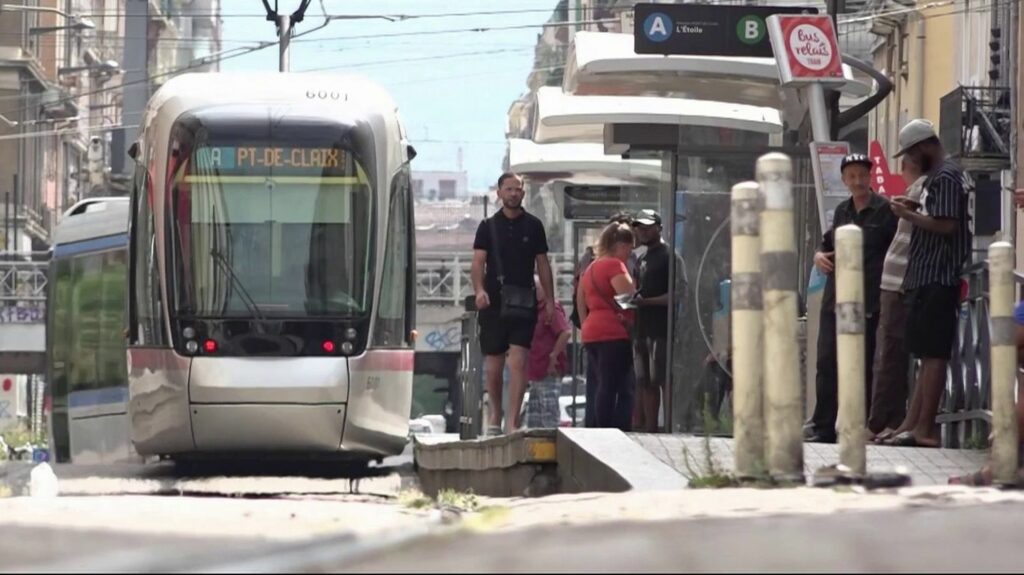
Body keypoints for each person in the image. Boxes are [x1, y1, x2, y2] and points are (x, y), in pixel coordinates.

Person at [885, 119, 972, 448]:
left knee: (934, 353)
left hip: (938, 274)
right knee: (924, 353)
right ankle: (911, 423)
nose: (907, 161)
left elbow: (947, 225)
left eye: (909, 153)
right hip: (926, 275)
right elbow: (937, 216)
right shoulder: (938, 177)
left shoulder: (946, 176)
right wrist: (914, 207)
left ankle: (924, 428)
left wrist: (908, 216)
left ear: (923, 146)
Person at [805, 153, 898, 443]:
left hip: (869, 301)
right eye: (851, 176)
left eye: (862, 175)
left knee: (865, 362)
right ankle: (823, 426)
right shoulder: (842, 211)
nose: (857, 181)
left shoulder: (885, 211)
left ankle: (863, 426)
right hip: (836, 300)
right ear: (844, 180)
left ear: (869, 177)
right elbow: (825, 245)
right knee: (827, 362)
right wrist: (819, 256)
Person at [471, 172, 555, 436]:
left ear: (523, 193)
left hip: (523, 300)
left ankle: (513, 421)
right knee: (493, 365)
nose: (514, 194)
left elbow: (543, 264)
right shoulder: (487, 226)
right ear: (499, 193)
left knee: (518, 361)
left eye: (518, 189)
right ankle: (496, 413)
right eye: (508, 189)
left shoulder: (534, 225)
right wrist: (479, 290)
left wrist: (550, 301)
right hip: (493, 302)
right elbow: (477, 262)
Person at [868, 156, 926, 440]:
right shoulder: (918, 191)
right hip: (898, 280)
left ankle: (878, 422)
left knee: (889, 352)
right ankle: (891, 418)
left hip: (897, 281)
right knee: (893, 352)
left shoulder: (918, 190)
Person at [572, 212, 638, 428]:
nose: (630, 252)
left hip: (592, 331)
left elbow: (581, 299)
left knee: (601, 382)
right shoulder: (614, 266)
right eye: (629, 247)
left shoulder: (590, 268)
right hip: (613, 331)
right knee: (617, 384)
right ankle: (611, 427)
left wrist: (585, 325)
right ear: (620, 245)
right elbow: (629, 298)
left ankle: (598, 425)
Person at [631, 209, 682, 433]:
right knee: (645, 382)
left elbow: (679, 293)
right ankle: (650, 429)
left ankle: (670, 427)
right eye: (639, 227)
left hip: (662, 330)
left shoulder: (670, 256)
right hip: (641, 329)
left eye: (648, 226)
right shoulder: (642, 258)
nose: (643, 230)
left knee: (663, 380)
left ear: (659, 228)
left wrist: (648, 302)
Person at [524, 276, 572, 428]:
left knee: (549, 415)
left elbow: (565, 332)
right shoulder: (534, 311)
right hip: (535, 372)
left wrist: (554, 356)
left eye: (537, 289)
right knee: (534, 419)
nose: (534, 293)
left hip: (548, 371)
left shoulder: (551, 309)